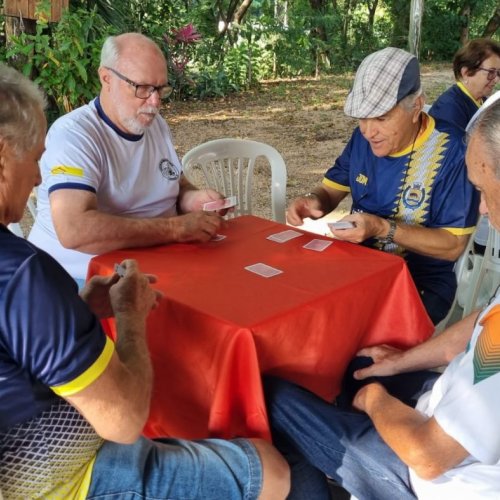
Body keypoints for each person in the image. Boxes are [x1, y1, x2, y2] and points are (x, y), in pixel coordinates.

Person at [0, 64, 290, 499]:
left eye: (159, 89)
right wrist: (129, 317)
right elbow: (124, 421)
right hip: (65, 480)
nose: (40, 177)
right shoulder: (21, 274)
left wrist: (76, 308)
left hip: (39, 434)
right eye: (34, 159)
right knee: (274, 468)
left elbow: (21, 339)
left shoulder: (155, 128)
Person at [265, 98, 500, 499]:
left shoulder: (445, 150)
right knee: (360, 362)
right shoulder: (363, 142)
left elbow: (428, 455)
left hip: (432, 480)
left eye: (482, 189)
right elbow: (482, 319)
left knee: (271, 393)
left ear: (414, 107)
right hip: (441, 411)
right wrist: (399, 363)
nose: (480, 207)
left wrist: (375, 400)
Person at [287, 47, 479, 325]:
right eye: (361, 118)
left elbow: (452, 245)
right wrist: (313, 200)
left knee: (346, 333)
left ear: (416, 107)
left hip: (418, 281)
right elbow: (331, 190)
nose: (368, 130)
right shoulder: (363, 139)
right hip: (356, 267)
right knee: (297, 308)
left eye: (381, 118)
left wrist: (382, 228)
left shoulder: (453, 151)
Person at [28, 32, 227, 285]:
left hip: (157, 261)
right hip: (82, 278)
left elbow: (175, 183)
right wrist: (175, 229)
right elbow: (74, 229)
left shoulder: (154, 125)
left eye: (160, 89)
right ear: (106, 78)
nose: (154, 102)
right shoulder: (74, 135)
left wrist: (195, 200)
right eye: (142, 88)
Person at [429, 38, 500, 133]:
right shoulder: (448, 109)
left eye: (498, 73)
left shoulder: (483, 101)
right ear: (466, 72)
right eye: (491, 72)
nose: (496, 79)